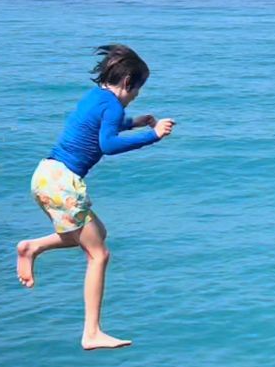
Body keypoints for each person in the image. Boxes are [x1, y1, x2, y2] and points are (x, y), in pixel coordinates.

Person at [16, 44, 175, 350]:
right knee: (99, 254)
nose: (137, 96)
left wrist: (135, 122)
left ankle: (32, 247)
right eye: (138, 89)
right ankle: (91, 333)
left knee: (97, 233)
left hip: (46, 175)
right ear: (128, 83)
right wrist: (152, 136)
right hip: (64, 184)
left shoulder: (96, 98)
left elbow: (99, 124)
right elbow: (109, 144)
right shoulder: (114, 106)